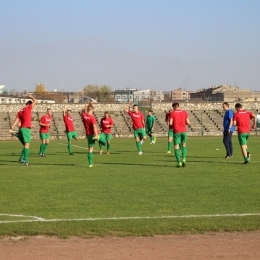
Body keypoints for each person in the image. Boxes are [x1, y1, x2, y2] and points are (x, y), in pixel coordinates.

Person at [9, 95, 37, 166]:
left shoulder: (20, 111)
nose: (32, 107)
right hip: (25, 129)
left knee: (25, 145)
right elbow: (35, 101)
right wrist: (31, 96)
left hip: (22, 129)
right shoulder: (28, 108)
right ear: (29, 105)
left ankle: (22, 158)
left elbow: (18, 119)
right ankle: (26, 161)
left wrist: (12, 126)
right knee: (27, 144)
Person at [169, 103, 190, 167]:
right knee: (184, 144)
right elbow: (188, 122)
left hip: (177, 131)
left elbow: (170, 123)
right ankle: (184, 159)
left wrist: (175, 124)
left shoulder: (172, 113)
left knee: (176, 146)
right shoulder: (184, 112)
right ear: (178, 106)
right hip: (184, 131)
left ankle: (179, 163)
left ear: (174, 107)